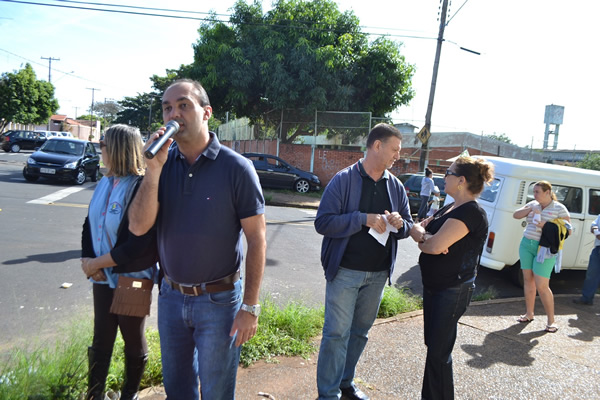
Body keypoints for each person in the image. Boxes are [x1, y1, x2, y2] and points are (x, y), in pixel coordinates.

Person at [128, 79, 267, 400]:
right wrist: (153, 171)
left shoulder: (237, 168)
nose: (173, 114)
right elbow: (138, 227)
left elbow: (257, 239)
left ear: (206, 113)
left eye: (183, 105)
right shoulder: (161, 166)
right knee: (177, 390)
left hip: (219, 302)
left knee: (216, 392)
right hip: (171, 298)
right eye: (167, 108)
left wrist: (250, 306)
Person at [314, 123, 413, 400]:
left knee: (360, 333)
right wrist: (362, 219)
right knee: (336, 334)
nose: (398, 156)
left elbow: (408, 225)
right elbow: (323, 222)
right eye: (395, 150)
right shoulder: (343, 180)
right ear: (377, 146)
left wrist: (400, 223)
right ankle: (328, 394)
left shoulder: (395, 186)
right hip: (345, 272)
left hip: (378, 274)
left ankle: (345, 383)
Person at [80, 124, 159, 400]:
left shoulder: (139, 186)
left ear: (117, 149)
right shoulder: (104, 181)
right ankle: (95, 394)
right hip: (102, 274)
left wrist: (97, 263)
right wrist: (87, 259)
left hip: (132, 276)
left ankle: (129, 394)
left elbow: (137, 245)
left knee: (132, 337)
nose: (99, 149)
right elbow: (89, 223)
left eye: (103, 145)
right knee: (101, 337)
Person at [410, 156, 493, 400]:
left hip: (452, 290)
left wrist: (427, 239)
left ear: (461, 180)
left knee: (438, 352)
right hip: (436, 287)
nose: (444, 176)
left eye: (448, 172)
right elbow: (420, 229)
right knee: (434, 347)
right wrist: (426, 238)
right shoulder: (450, 207)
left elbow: (433, 245)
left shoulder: (471, 212)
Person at [513, 180, 571, 333]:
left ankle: (551, 321)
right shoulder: (533, 204)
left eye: (537, 192)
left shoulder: (559, 208)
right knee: (528, 280)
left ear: (548, 192)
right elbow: (516, 215)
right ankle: (529, 313)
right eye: (534, 191)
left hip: (545, 249)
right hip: (527, 244)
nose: (535, 195)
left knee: (542, 285)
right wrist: (530, 209)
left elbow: (568, 231)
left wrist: (545, 224)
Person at [573, 215, 600, 305]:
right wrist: (595, 229)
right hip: (598, 249)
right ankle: (586, 298)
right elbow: (594, 225)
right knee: (591, 275)